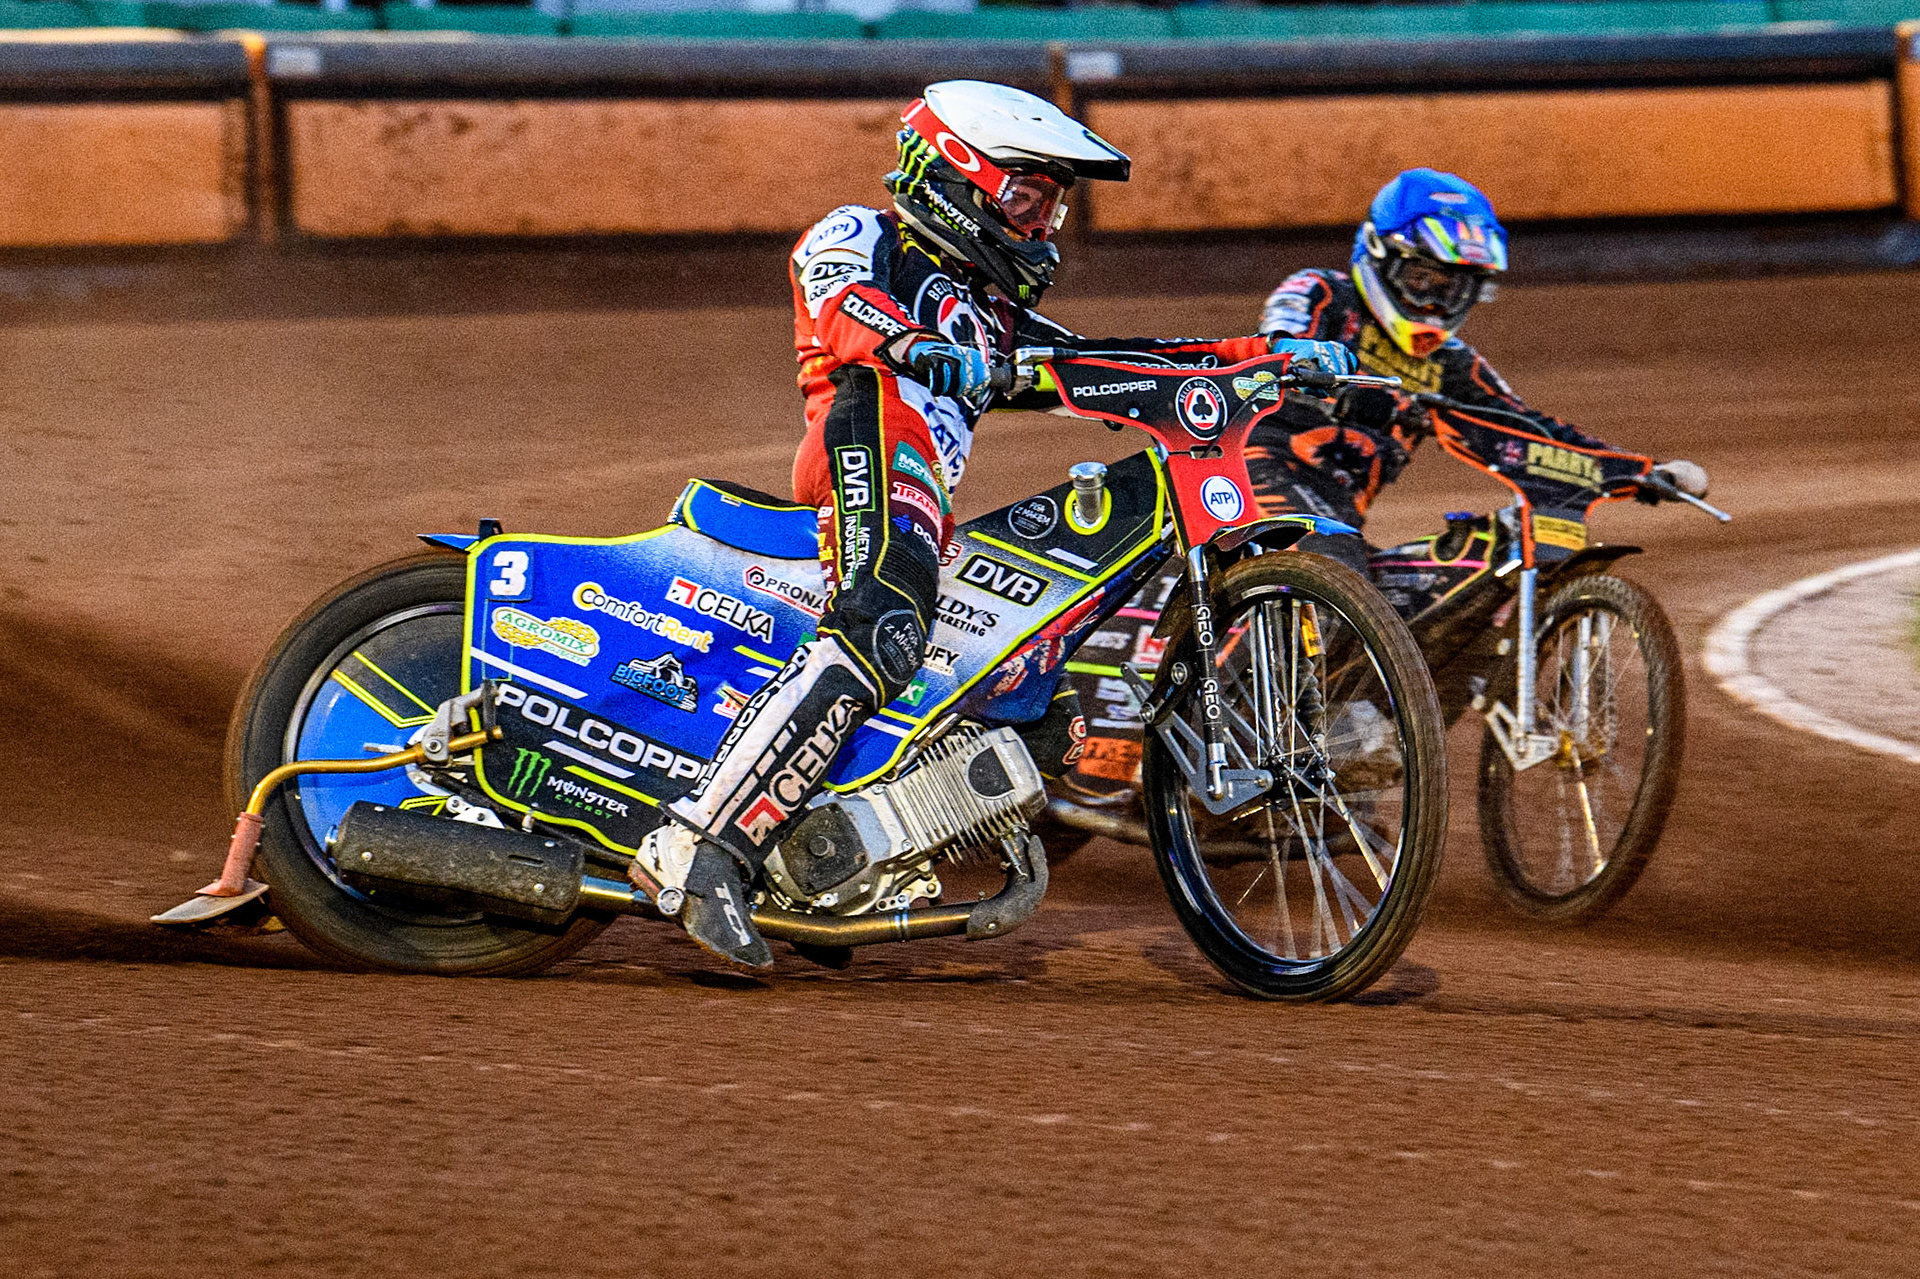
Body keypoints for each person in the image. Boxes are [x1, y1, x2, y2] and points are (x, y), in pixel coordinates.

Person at [631, 80, 1355, 967]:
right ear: (951, 174)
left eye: (1052, 203)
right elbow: (839, 306)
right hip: (867, 438)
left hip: (922, 480)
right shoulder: (863, 232)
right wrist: (918, 346)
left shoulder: (993, 312)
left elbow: (1116, 363)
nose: (1041, 222)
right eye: (1025, 196)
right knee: (885, 624)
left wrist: (1264, 358)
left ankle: (832, 861)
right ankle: (703, 846)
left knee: (1033, 710)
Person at [1250, 167, 1708, 571]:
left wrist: (1641, 472)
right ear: (1378, 254)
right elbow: (1280, 344)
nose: (1434, 304)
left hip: (1339, 515)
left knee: (1409, 598)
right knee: (1336, 566)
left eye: (1452, 290)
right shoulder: (1322, 293)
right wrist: (1331, 378)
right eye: (1423, 280)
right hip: (1252, 475)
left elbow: (1527, 428)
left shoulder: (1454, 364)